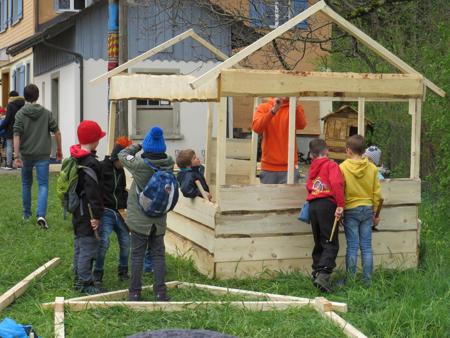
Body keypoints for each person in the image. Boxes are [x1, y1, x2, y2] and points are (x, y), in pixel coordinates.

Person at [118, 126, 174, 301]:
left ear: (148, 146)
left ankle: (134, 292)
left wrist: (138, 146)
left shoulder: (140, 165)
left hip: (139, 221)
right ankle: (160, 292)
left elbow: (122, 154)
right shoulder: (169, 164)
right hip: (158, 221)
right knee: (158, 255)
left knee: (137, 256)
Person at [13, 84, 62, 228]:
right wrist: (59, 149)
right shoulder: (46, 113)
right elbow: (57, 132)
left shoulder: (20, 114)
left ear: (25, 96)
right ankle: (41, 215)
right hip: (43, 154)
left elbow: (16, 135)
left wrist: (16, 156)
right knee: (43, 185)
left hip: (26, 154)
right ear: (37, 96)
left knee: (26, 184)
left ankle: (27, 214)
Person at [340, 135, 382, 284]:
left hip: (351, 209)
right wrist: (376, 213)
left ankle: (350, 280)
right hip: (367, 209)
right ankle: (367, 280)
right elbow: (377, 192)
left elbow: (340, 190)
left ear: (348, 151)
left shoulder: (343, 167)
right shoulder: (372, 168)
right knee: (366, 246)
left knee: (352, 246)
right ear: (363, 150)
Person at [70, 120, 106, 294]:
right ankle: (85, 283)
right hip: (88, 211)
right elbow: (93, 192)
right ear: (95, 140)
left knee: (79, 243)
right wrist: (97, 215)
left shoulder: (75, 156)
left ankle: (77, 277)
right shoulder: (90, 163)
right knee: (88, 246)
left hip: (77, 209)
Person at [306, 139, 345, 292]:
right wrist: (341, 205)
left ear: (312, 155)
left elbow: (309, 186)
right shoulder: (331, 165)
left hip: (313, 205)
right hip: (327, 205)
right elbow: (336, 184)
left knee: (319, 241)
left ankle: (316, 272)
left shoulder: (312, 167)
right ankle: (323, 276)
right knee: (330, 242)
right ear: (327, 151)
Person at [93, 137, 132, 287]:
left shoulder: (121, 171)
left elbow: (122, 190)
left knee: (126, 241)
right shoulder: (102, 167)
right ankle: (98, 273)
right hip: (106, 211)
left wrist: (126, 202)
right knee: (104, 241)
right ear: (117, 157)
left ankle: (123, 272)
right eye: (124, 160)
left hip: (120, 211)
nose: (125, 164)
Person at [252, 97, 307, 184]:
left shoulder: (295, 107)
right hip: (268, 168)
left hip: (290, 167)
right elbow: (256, 128)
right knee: (268, 197)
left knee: (288, 198)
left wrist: (295, 105)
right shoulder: (264, 107)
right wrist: (273, 111)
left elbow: (301, 125)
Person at [0, 91, 25, 170]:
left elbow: (7, 119)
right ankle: (20, 164)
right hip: (21, 128)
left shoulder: (10, 105)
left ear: (11, 97)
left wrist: (1, 127)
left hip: (11, 128)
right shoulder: (23, 104)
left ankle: (9, 164)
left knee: (9, 146)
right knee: (20, 146)